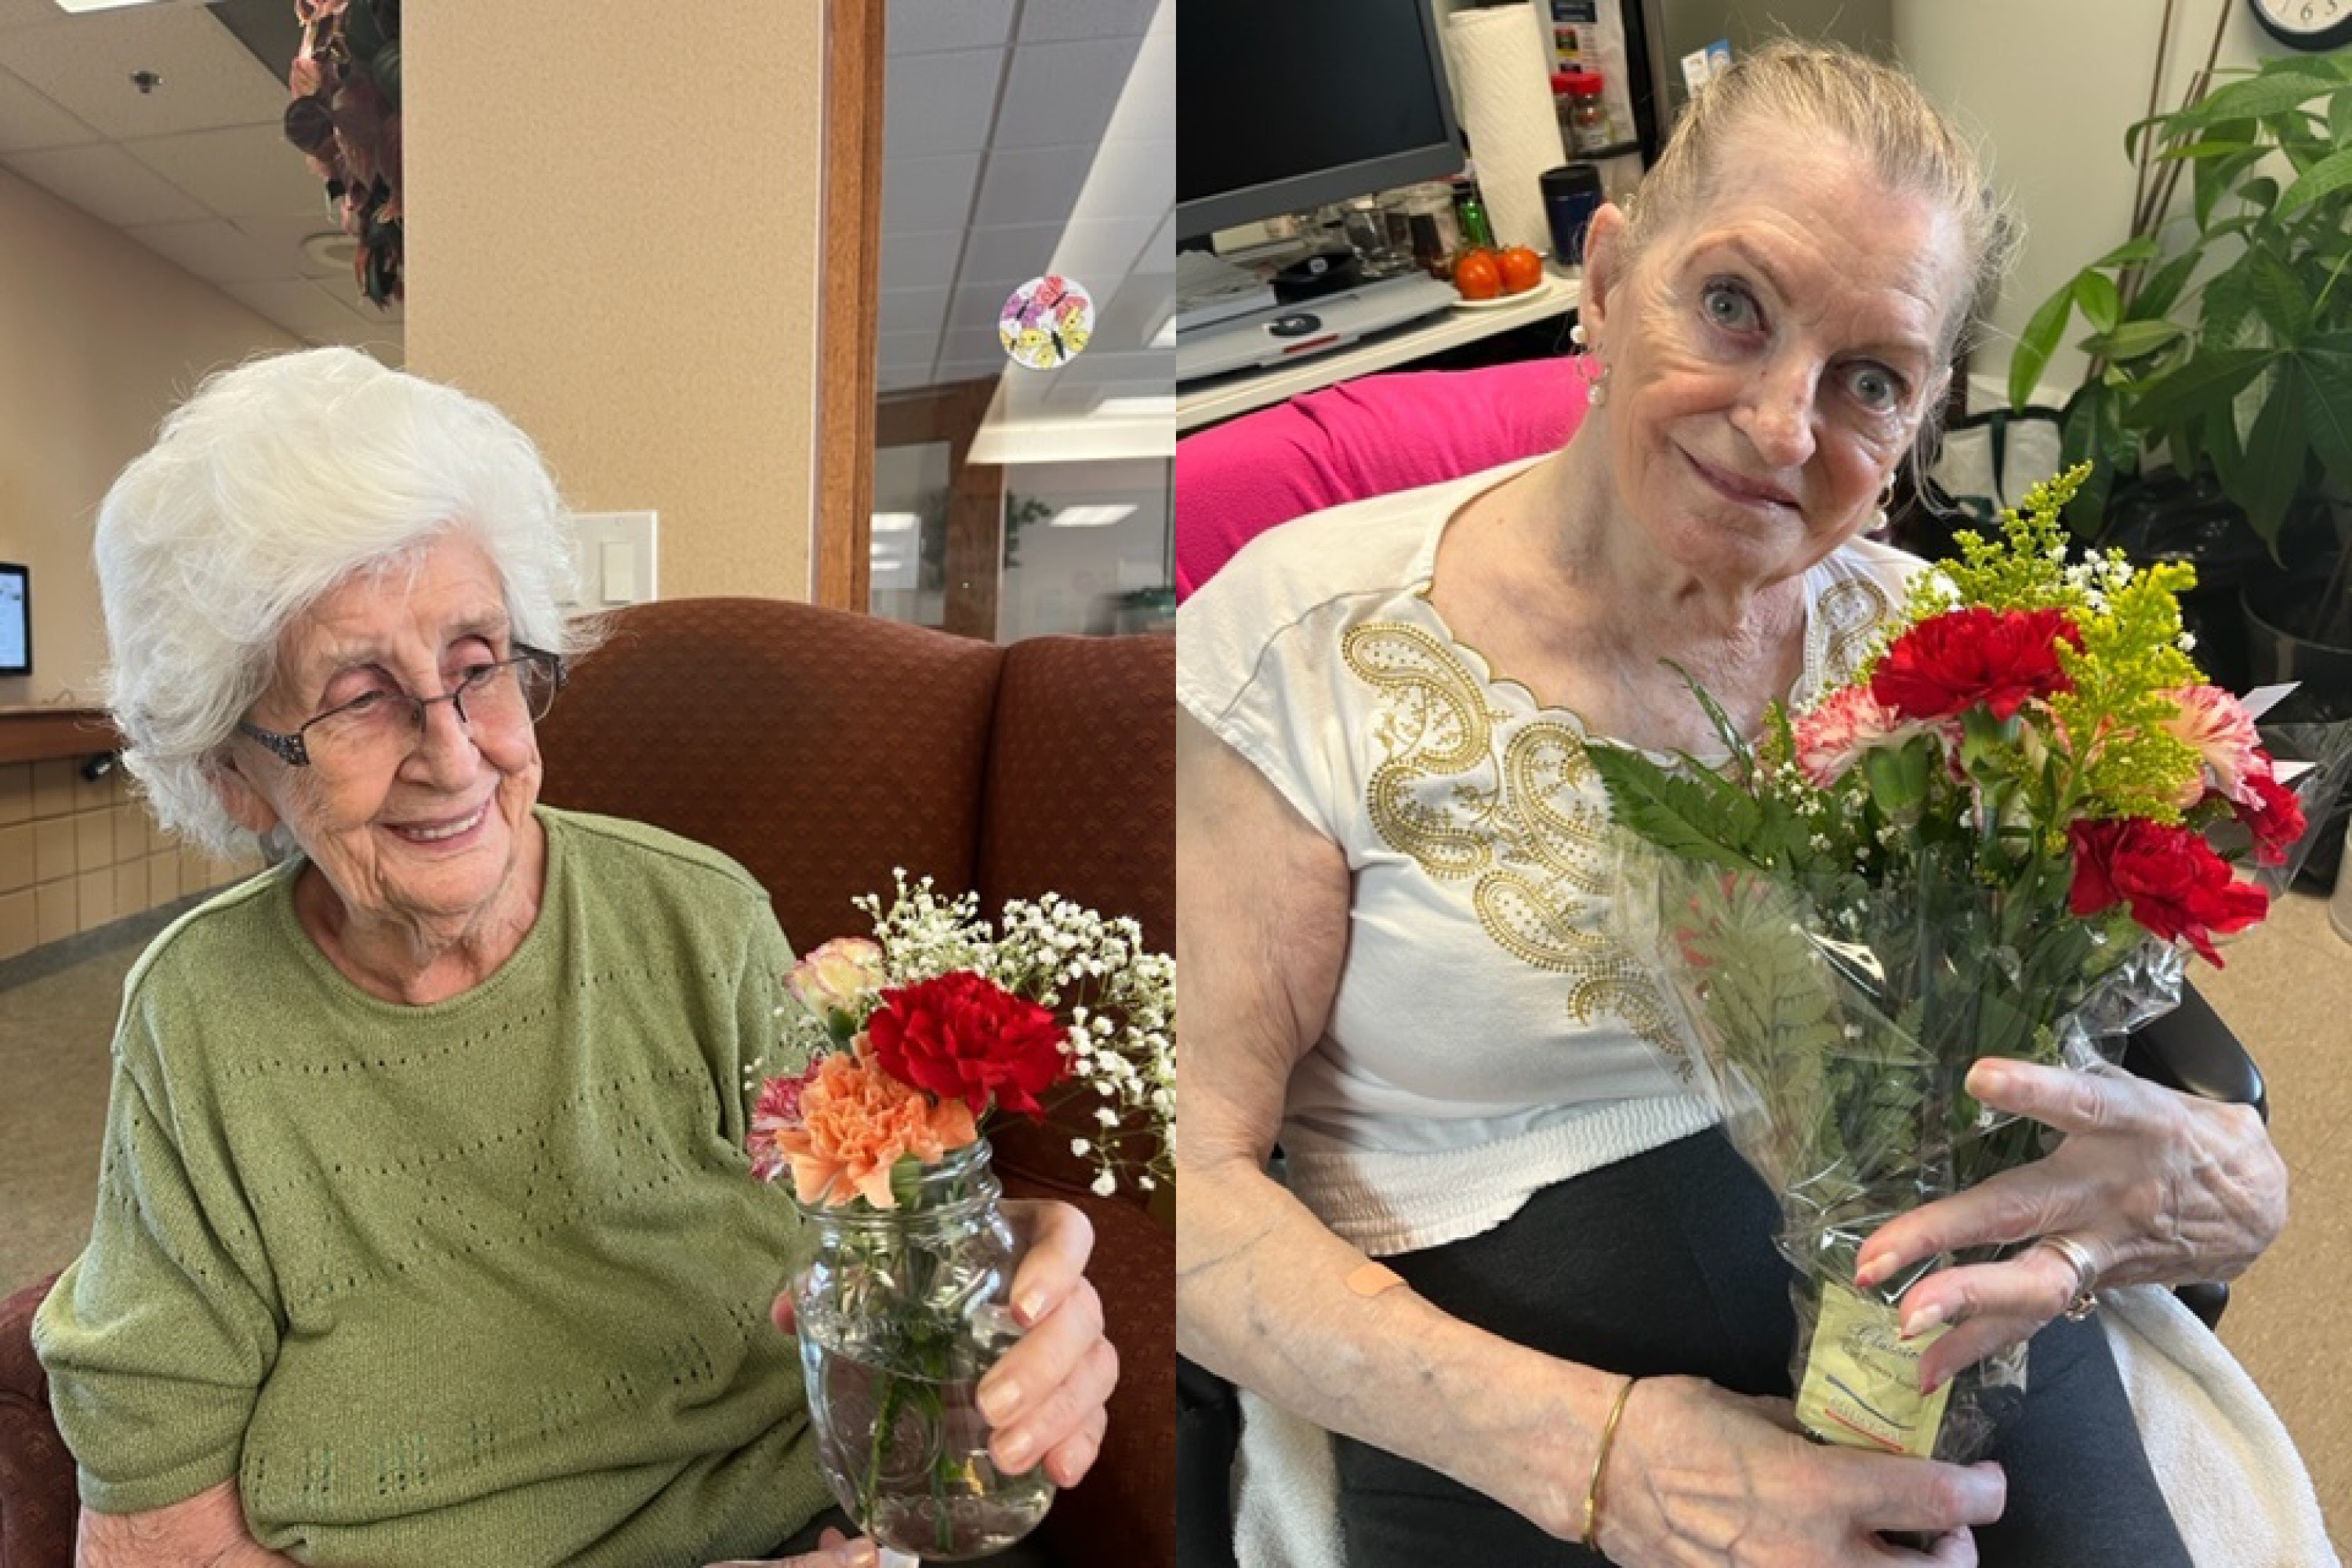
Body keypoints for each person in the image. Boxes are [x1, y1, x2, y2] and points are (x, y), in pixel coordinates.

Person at [1174, 41, 2292, 1568]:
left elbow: (2118, 1073)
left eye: (1871, 379)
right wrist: (1610, 1459)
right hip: (1512, 1420)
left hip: (1951, 1334)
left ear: (1923, 421)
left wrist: (2209, 1169)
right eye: (1731, 305)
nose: (1782, 426)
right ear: (1608, 275)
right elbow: (1187, 1187)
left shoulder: (1953, 664)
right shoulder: (1297, 646)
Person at [32, 347, 1120, 1568]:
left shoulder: (694, 919)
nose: (455, 753)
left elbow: (877, 1272)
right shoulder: (198, 1018)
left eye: (478, 665)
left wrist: (1007, 1308)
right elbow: (150, 1531)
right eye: (359, 697)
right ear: (238, 773)